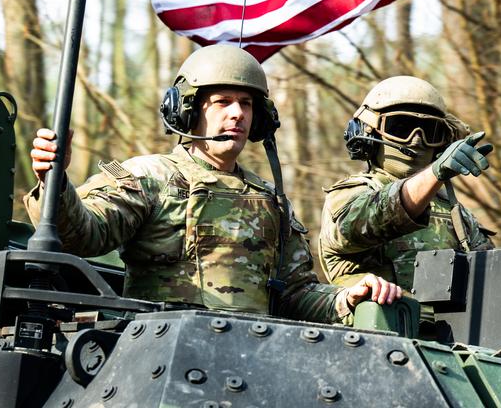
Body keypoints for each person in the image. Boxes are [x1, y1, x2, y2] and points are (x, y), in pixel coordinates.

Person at [25, 44, 400, 323]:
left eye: (247, 104)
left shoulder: (271, 201)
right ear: (187, 110)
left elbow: (296, 294)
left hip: (254, 360)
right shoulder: (150, 178)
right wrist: (54, 182)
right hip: (160, 357)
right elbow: (84, 234)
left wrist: (347, 298)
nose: (237, 113)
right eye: (222, 102)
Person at [319, 76, 494, 293]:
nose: (417, 140)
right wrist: (434, 173)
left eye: (430, 132)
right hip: (379, 325)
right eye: (401, 128)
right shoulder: (348, 196)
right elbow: (372, 217)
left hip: (453, 327)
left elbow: (491, 278)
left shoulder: (455, 213)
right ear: (368, 133)